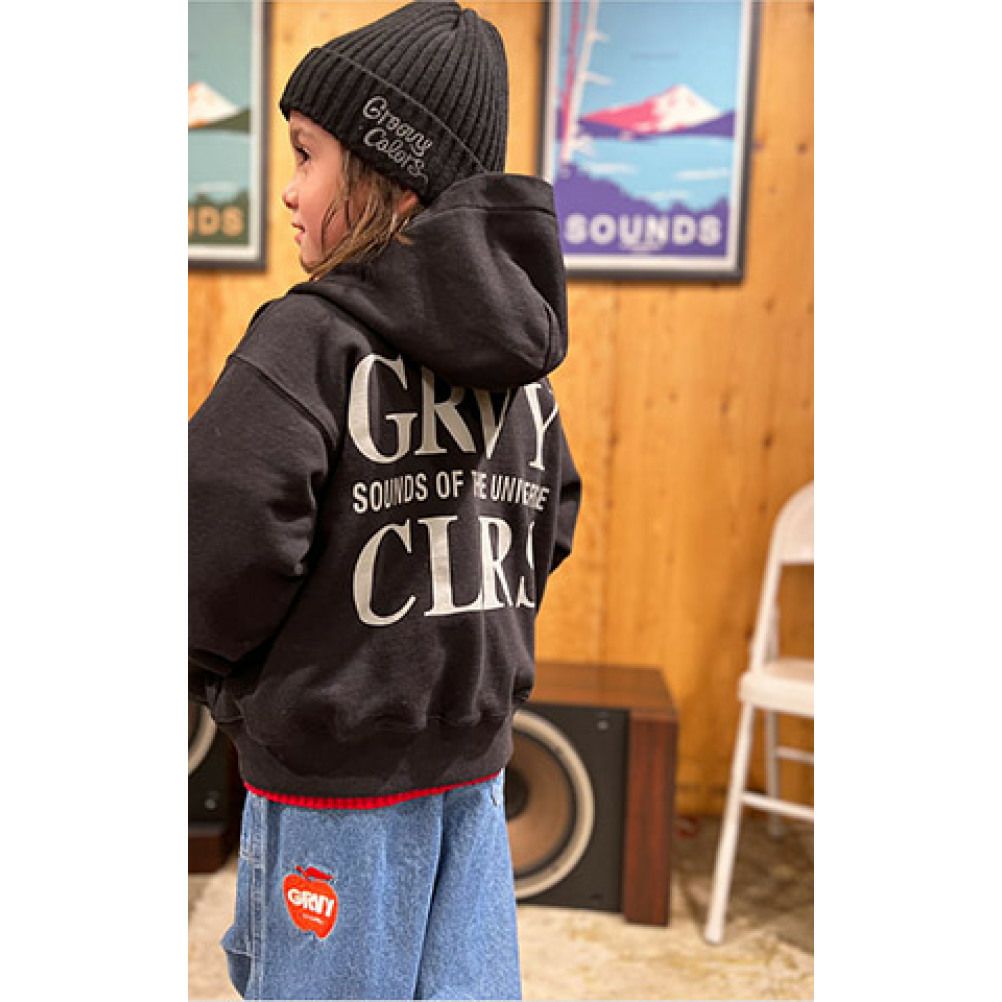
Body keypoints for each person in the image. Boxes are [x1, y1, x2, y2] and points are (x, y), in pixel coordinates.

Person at [188, 2, 582, 998]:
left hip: (332, 789)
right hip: (473, 775)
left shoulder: (304, 342)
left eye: (307, 154)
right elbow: (551, 520)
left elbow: (212, 541)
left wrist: (228, 689)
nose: (288, 189)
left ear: (390, 177)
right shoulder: (524, 374)